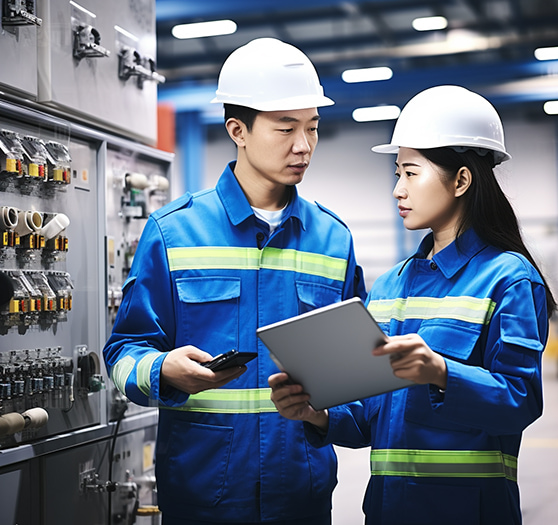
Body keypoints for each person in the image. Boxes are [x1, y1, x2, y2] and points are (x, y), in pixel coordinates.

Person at [103, 38, 365, 525]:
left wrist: (326, 415)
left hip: (301, 497)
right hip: (204, 496)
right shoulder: (172, 232)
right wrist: (163, 371)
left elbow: (354, 382)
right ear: (237, 130)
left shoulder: (333, 240)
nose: (303, 145)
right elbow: (122, 354)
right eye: (285, 128)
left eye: (312, 128)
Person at [269, 85, 557, 525]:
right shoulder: (389, 287)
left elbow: (521, 401)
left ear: (461, 180)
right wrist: (318, 413)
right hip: (388, 510)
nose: (397, 190)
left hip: (471, 514)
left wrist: (442, 373)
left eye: (410, 173)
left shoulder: (509, 279)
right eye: (397, 173)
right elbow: (368, 417)